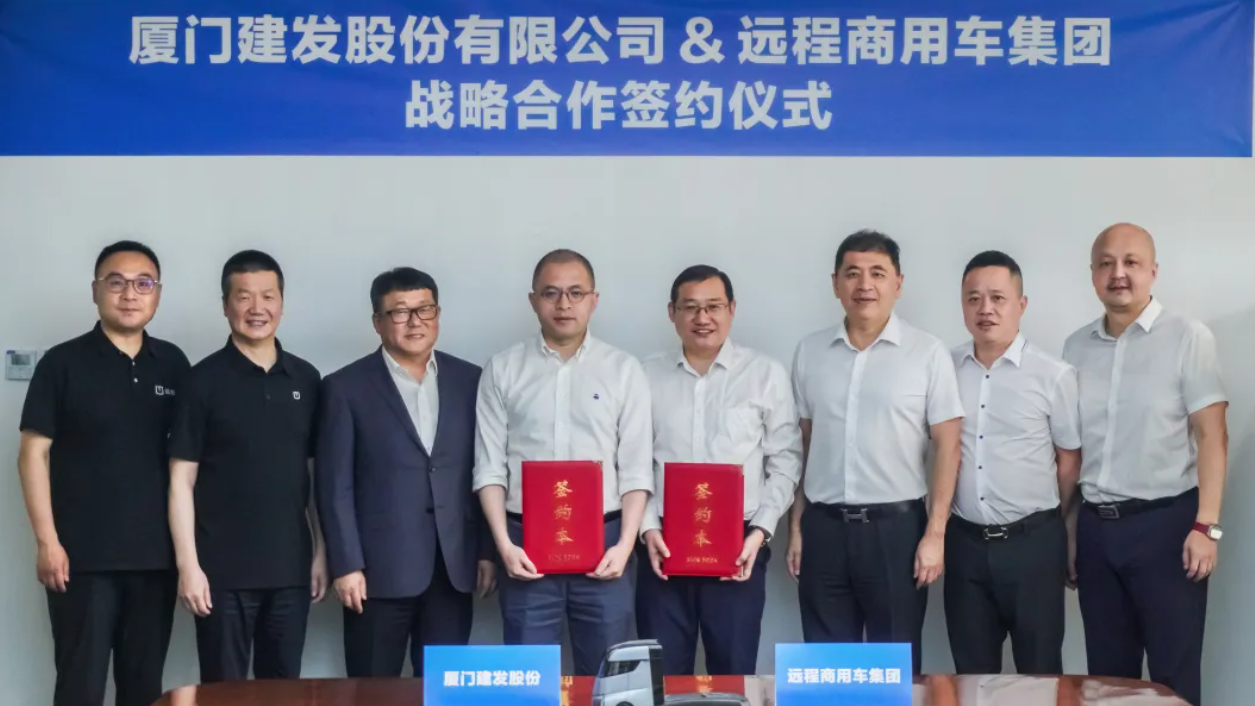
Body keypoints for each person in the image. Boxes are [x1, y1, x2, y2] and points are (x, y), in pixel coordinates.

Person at [18, 241, 190, 706]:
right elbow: (32, 454)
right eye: (116, 282)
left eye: (143, 283)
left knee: (143, 688)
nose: (129, 294)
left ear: (157, 293)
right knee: (80, 686)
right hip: (81, 561)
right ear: (95, 291)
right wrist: (47, 541)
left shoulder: (174, 364)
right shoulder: (62, 363)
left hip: (155, 560)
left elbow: (188, 465)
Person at [1063, 223, 1227, 706]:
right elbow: (1074, 450)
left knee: (1172, 677)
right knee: (1107, 680)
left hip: (1168, 529)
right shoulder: (1075, 347)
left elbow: (1213, 435)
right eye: (1106, 264)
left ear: (1153, 271)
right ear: (1092, 274)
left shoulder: (1187, 337)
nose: (1118, 273)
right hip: (1096, 530)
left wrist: (1208, 526)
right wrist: (1070, 531)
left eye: (1131, 262)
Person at [788, 230, 963, 675]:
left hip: (896, 532)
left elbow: (948, 445)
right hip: (824, 529)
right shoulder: (810, 352)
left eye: (877, 273)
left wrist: (935, 535)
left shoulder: (927, 353)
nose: (864, 285)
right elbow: (805, 445)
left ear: (897, 283)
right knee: (828, 672)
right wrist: (797, 526)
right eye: (852, 274)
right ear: (835, 283)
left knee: (894, 673)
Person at [473, 248, 653, 676]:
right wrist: (504, 545)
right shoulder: (503, 369)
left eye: (576, 292)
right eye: (551, 293)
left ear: (594, 300)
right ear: (533, 300)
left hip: (606, 544)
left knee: (609, 680)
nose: (564, 304)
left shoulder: (623, 370)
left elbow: (635, 469)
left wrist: (625, 546)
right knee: (529, 677)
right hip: (525, 546)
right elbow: (489, 468)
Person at [315, 267, 495, 678]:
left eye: (424, 309)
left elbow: (485, 471)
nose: (415, 322)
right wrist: (346, 564)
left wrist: (485, 551)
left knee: (444, 690)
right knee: (372, 690)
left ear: (438, 314)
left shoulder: (471, 380)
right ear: (377, 322)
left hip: (453, 566)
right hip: (376, 573)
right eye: (400, 312)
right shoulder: (344, 388)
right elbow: (334, 485)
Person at [168, 250, 327, 682]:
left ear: (282, 303)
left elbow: (315, 477)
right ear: (225, 306)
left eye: (268, 296)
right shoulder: (200, 381)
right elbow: (181, 481)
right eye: (243, 297)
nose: (257, 308)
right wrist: (188, 566)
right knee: (223, 692)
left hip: (291, 569)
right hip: (220, 572)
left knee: (284, 690)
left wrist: (321, 552)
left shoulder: (307, 379)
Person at [637, 265, 802, 676]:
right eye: (690, 307)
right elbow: (633, 460)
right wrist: (648, 527)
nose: (702, 318)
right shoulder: (644, 375)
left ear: (732, 309)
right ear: (672, 312)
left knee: (733, 673)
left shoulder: (764, 374)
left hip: (739, 544)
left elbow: (786, 460)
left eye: (713, 306)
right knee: (662, 676)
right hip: (663, 544)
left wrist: (760, 533)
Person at [945, 250, 1081, 675]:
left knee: (1039, 675)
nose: (985, 309)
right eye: (973, 299)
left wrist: (1051, 522)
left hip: (1033, 545)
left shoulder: (1053, 375)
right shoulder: (944, 368)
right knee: (971, 675)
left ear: (1021, 305)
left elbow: (1069, 459)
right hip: (964, 543)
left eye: (998, 298)